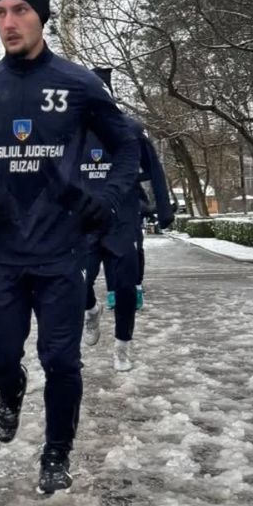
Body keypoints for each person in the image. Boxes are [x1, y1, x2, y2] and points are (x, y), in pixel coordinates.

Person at [0, 0, 139, 494]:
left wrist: (104, 199)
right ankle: (10, 392)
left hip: (62, 252)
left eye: (20, 10)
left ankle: (57, 452)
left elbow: (126, 147)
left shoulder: (78, 84)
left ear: (42, 17)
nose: (8, 21)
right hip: (3, 254)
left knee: (61, 358)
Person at [80, 67, 175, 370]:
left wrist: (164, 208)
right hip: (85, 224)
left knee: (124, 289)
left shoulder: (130, 130)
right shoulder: (73, 131)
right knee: (75, 281)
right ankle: (91, 311)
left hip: (122, 222)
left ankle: (123, 345)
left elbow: (154, 168)